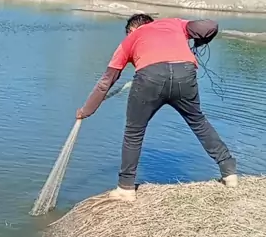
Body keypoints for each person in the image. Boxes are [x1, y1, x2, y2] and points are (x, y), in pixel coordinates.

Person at [76, 13, 237, 201]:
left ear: (132, 30)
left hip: (149, 78)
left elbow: (106, 81)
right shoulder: (174, 24)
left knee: (134, 131)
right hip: (184, 73)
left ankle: (126, 188)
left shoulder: (131, 39)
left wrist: (86, 111)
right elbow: (210, 26)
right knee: (198, 121)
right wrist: (199, 43)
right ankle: (229, 171)